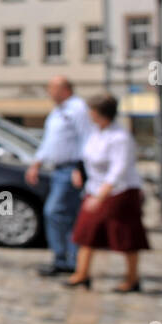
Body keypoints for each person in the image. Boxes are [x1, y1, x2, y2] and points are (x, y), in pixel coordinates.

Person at [66, 94, 149, 292]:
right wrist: (79, 171)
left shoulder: (120, 137)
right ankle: (82, 274)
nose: (88, 114)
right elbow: (86, 156)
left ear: (99, 113)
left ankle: (132, 278)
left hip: (120, 192)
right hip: (94, 189)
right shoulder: (96, 132)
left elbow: (118, 170)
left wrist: (100, 197)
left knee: (125, 236)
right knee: (86, 232)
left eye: (91, 110)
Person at [26, 76, 92, 277]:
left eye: (51, 88)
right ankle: (67, 259)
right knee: (66, 215)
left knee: (54, 212)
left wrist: (81, 168)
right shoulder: (58, 111)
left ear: (64, 89)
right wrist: (36, 163)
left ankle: (65, 259)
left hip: (71, 169)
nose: (49, 92)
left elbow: (86, 139)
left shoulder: (77, 109)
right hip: (58, 169)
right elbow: (49, 141)